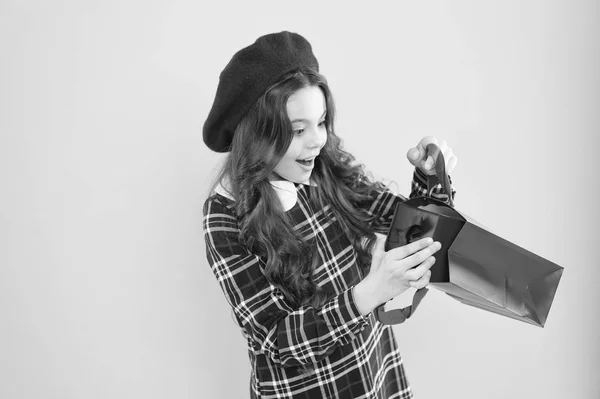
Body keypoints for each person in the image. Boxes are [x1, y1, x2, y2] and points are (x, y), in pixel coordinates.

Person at [202, 31, 457, 399]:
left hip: (373, 378)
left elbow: (411, 227)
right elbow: (276, 340)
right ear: (257, 134)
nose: (318, 140)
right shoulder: (225, 215)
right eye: (298, 130)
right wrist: (370, 293)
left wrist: (432, 177)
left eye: (321, 122)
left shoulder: (324, 170)